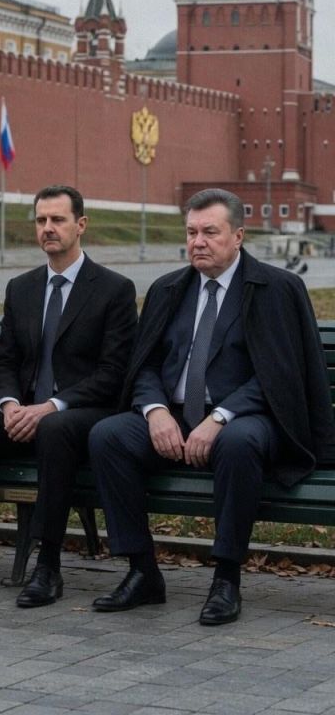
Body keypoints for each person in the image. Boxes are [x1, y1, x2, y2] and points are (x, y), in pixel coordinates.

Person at [89, 188, 335, 626]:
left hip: (249, 418)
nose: (198, 242)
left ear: (238, 236)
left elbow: (278, 375)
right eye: (191, 232)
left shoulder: (276, 289)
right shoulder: (168, 289)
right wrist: (154, 411)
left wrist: (219, 417)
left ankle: (226, 579)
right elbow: (144, 365)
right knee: (108, 436)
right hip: (174, 417)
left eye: (210, 232)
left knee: (238, 444)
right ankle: (142, 571)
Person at [0, 185, 138, 607]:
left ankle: (48, 566)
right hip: (22, 410)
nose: (48, 228)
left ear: (81, 224)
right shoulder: (21, 288)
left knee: (55, 429)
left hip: (81, 412)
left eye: (57, 219)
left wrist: (50, 406)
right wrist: (9, 404)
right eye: (41, 220)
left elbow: (113, 374)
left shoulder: (114, 289)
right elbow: (5, 362)